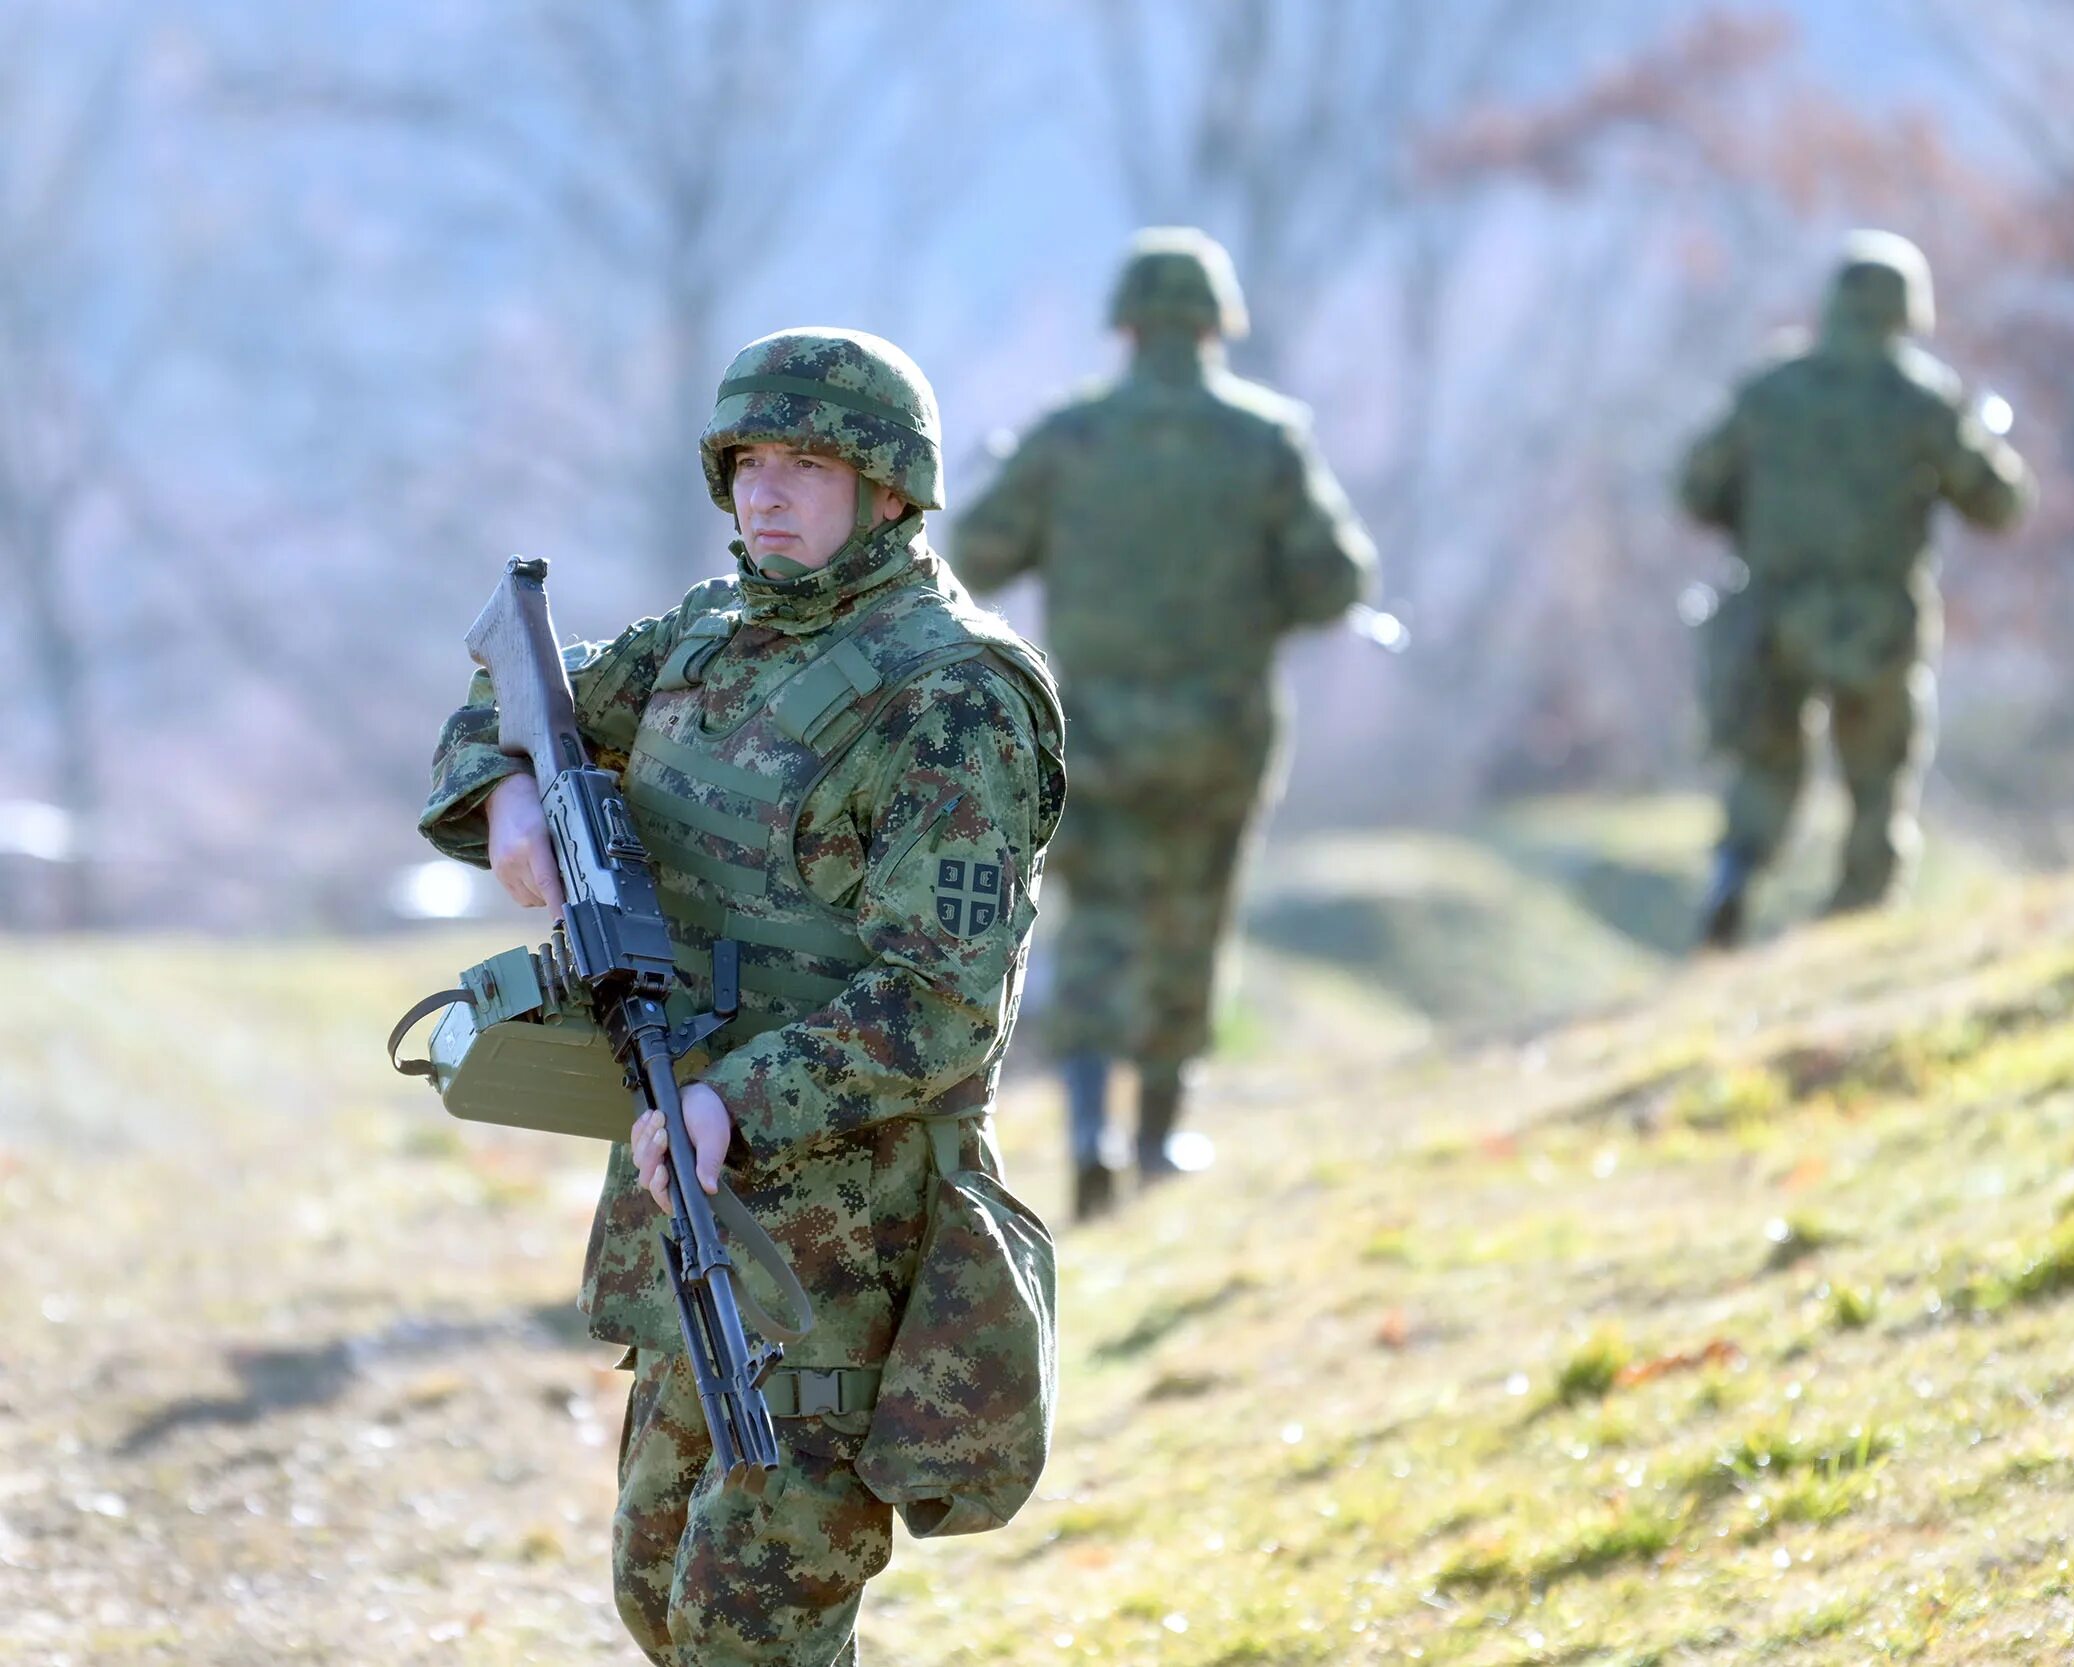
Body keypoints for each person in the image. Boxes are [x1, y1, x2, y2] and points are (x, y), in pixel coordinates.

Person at [417, 328, 1064, 1665]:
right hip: (684, 1180)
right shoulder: (705, 640)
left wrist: (736, 1097)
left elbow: (944, 1003)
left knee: (749, 1623)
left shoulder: (953, 698)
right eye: (748, 462)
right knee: (658, 1589)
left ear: (890, 488)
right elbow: (504, 694)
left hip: (848, 1232)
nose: (764, 492)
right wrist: (513, 790)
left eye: (806, 464)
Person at [948, 227, 1377, 1221]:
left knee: (1094, 918)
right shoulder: (1266, 438)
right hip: (1222, 729)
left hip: (1090, 728)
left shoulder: (1069, 434)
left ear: (1127, 325)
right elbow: (1337, 581)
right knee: (1193, 918)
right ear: (1216, 325)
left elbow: (974, 550)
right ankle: (1158, 1134)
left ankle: (1090, 1126)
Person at [1677, 230, 2032, 948]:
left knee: (1766, 764)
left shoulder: (1770, 390)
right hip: (1876, 617)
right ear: (1907, 310)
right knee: (1878, 777)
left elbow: (1695, 489)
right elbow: (1998, 506)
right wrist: (1980, 444)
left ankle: (1735, 873)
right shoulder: (1921, 400)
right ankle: (1856, 923)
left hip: (1771, 613)